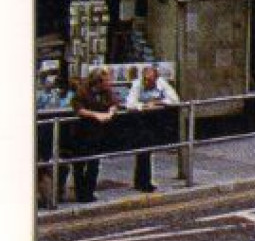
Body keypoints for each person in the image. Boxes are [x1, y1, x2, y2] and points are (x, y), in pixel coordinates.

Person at [123, 65, 178, 193]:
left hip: (155, 121)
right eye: (145, 79)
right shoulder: (137, 85)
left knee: (147, 151)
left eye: (150, 80)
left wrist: (158, 102)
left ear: (156, 79)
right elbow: (130, 104)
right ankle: (144, 182)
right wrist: (145, 106)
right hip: (139, 120)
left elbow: (174, 99)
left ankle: (143, 181)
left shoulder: (161, 83)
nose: (147, 82)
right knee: (144, 149)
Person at [69, 68, 119, 202]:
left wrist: (110, 112)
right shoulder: (83, 91)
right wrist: (96, 115)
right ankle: (80, 194)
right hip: (81, 131)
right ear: (98, 82)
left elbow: (114, 103)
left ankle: (89, 193)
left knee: (94, 163)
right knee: (79, 164)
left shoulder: (106, 91)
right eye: (106, 80)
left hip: (96, 132)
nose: (109, 83)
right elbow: (78, 109)